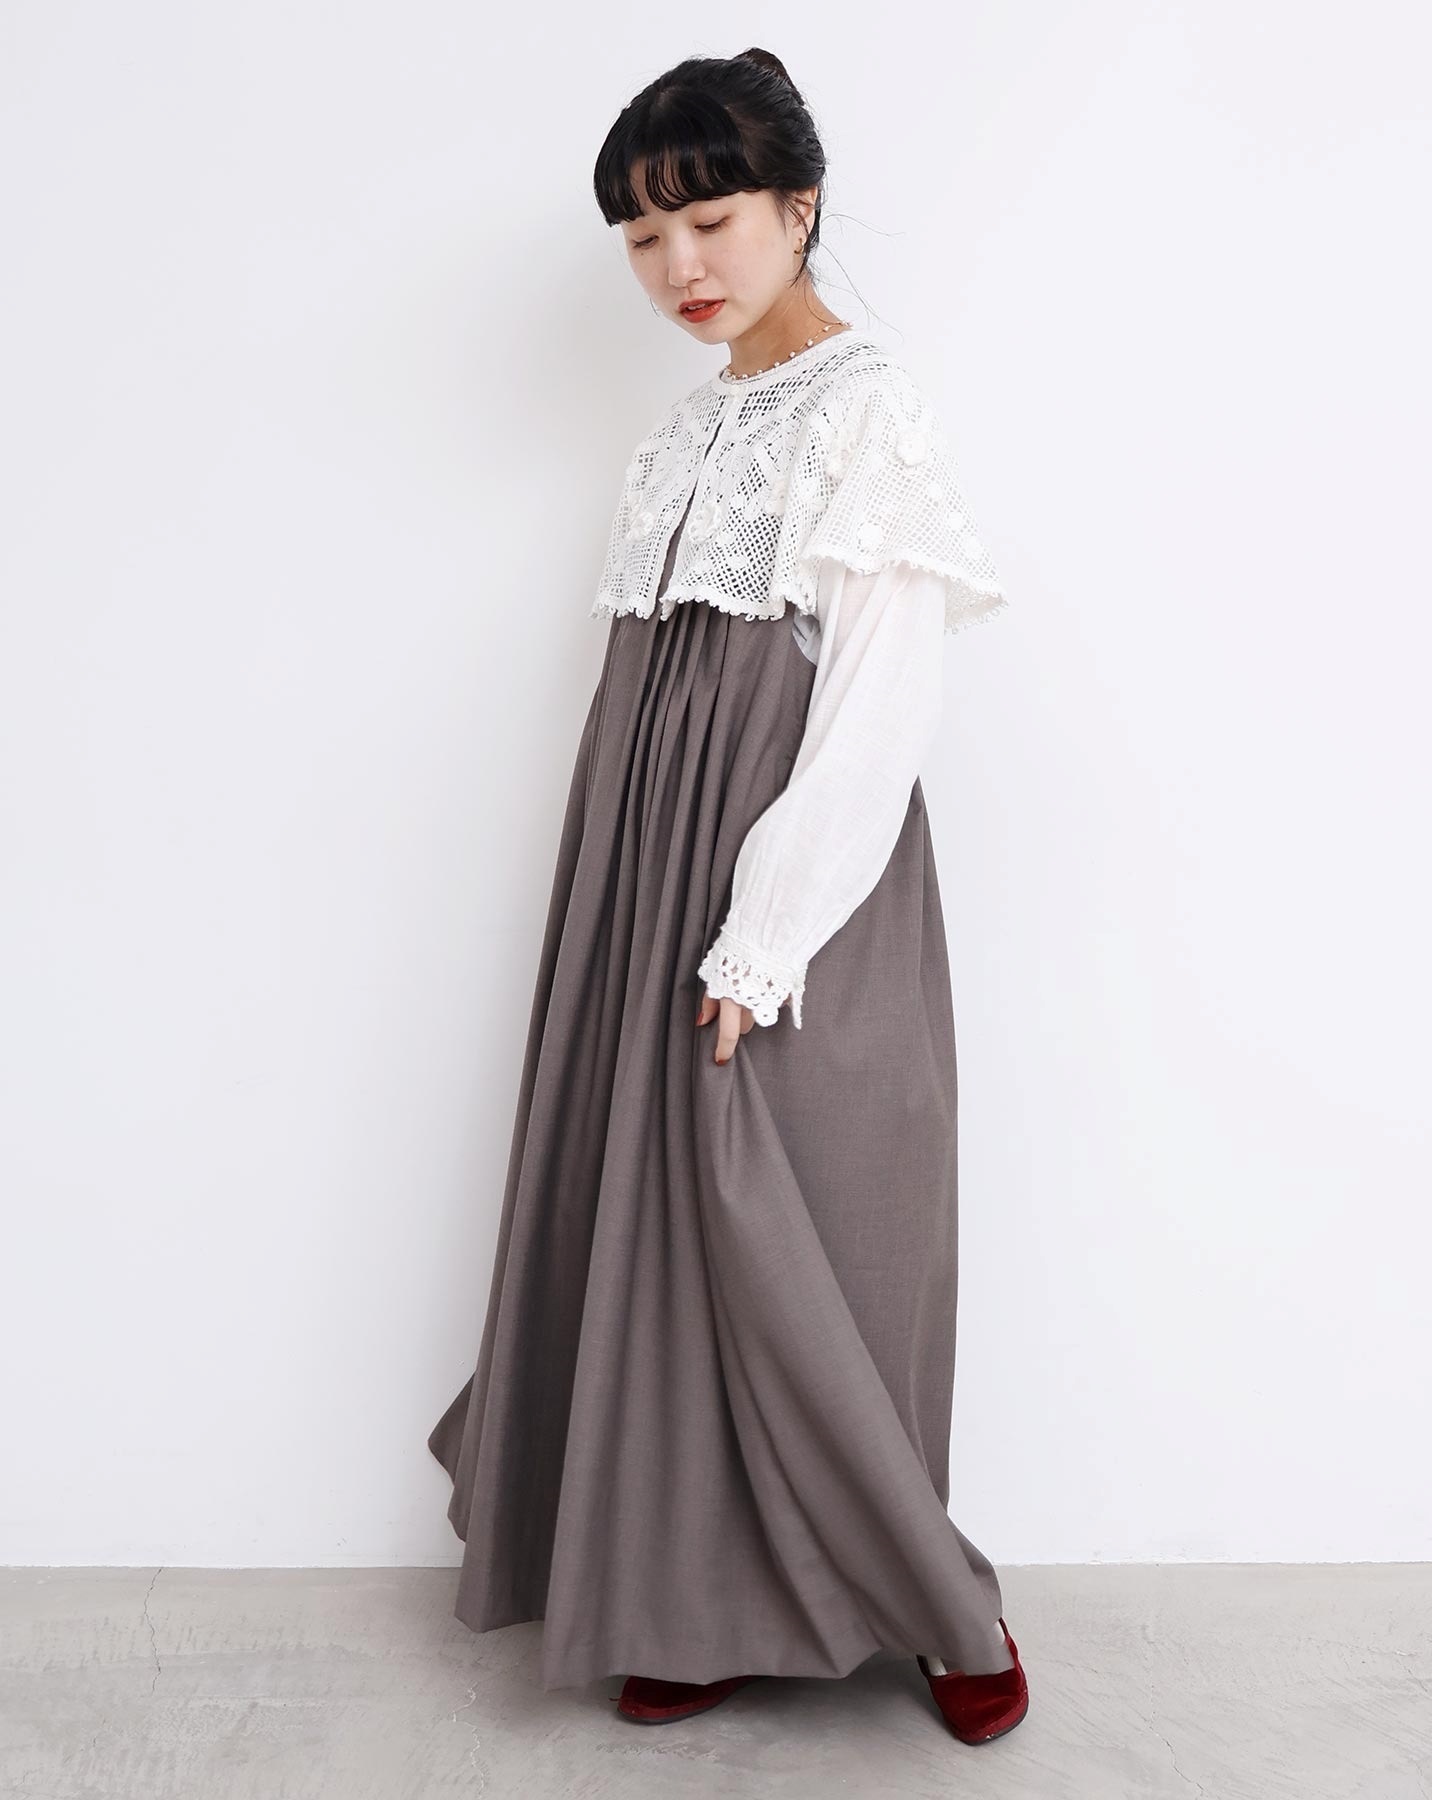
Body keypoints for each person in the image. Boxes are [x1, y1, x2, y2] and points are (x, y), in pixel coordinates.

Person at [427, 47, 1029, 1749]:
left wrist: (767, 933)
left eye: (708, 219)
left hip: (791, 872)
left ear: (798, 208)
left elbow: (881, 697)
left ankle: (936, 1601)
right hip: (646, 858)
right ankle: (690, 1593)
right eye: (642, 237)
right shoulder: (688, 427)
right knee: (660, 1226)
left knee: (796, 1228)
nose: (678, 264)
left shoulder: (866, 405)